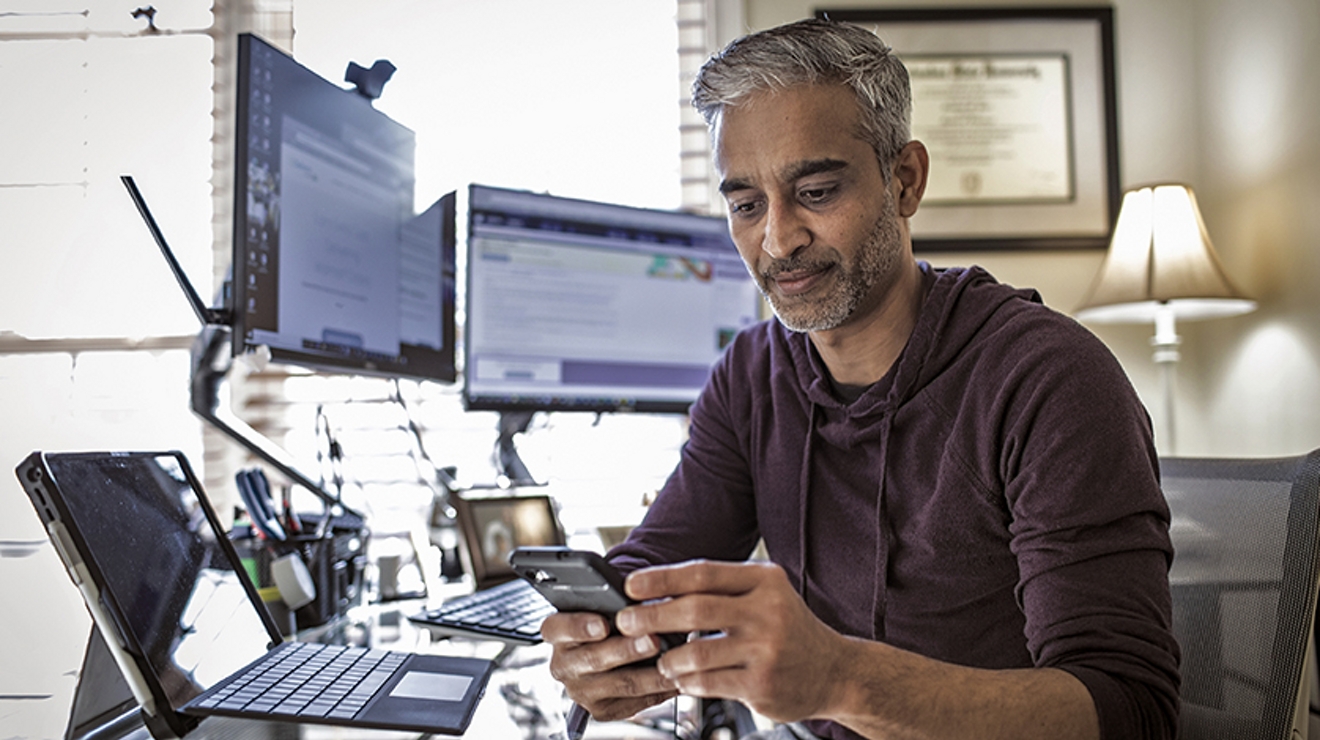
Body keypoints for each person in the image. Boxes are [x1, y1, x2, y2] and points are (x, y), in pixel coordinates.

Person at [540, 18, 1179, 740]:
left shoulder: (1049, 380)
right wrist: (601, 640)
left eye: (814, 190)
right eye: (746, 205)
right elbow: (658, 560)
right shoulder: (751, 376)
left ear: (904, 180)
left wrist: (842, 679)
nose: (777, 240)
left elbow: (1131, 710)